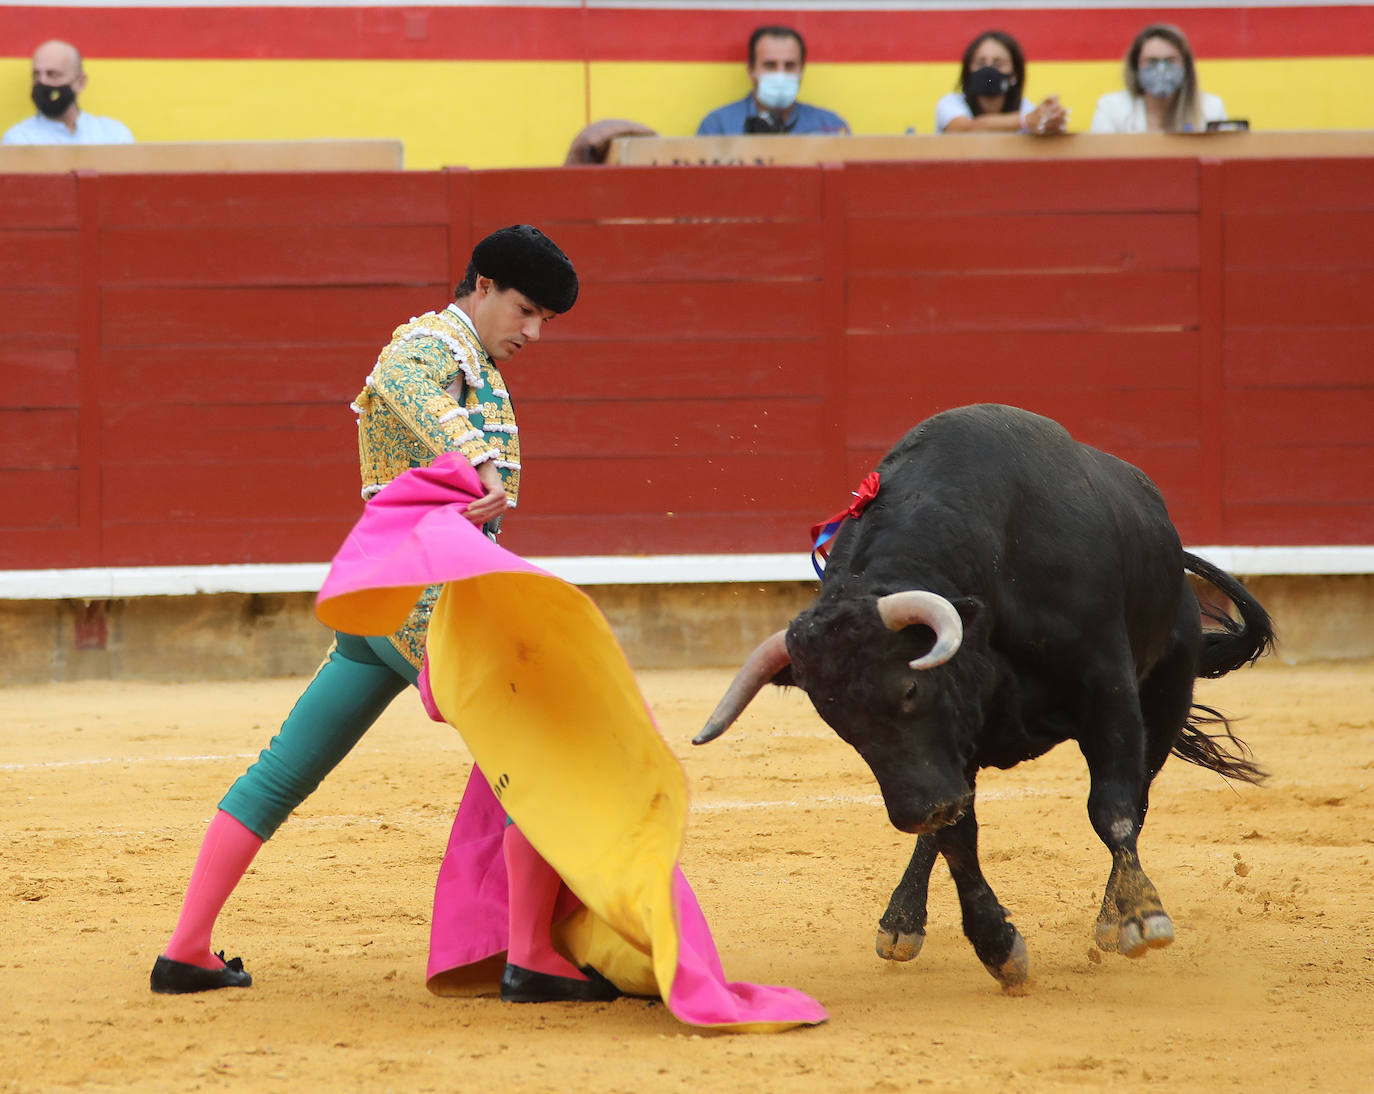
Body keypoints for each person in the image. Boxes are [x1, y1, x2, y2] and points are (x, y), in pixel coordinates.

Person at [149, 225, 593, 1001]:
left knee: (282, 771)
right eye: (526, 310)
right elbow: (408, 388)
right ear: (481, 285)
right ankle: (529, 955)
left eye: (546, 321)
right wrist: (477, 461)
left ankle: (185, 950)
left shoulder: (472, 361)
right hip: (430, 611)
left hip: (381, 609)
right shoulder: (427, 345)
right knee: (543, 747)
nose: (533, 332)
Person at [696, 25, 849, 136]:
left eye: (789, 66)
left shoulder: (830, 126)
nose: (780, 74)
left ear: (801, 70)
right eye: (770, 65)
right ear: (751, 70)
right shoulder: (719, 126)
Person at [1089, 23, 1226, 134]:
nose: (1161, 69)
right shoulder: (1111, 108)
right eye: (1152, 61)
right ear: (1136, 66)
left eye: (1170, 61)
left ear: (1186, 66)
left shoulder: (1211, 109)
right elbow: (1098, 162)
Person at [934, 30, 1068, 136]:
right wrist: (1025, 121)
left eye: (998, 64)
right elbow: (965, 129)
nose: (988, 70)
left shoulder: (1026, 109)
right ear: (968, 70)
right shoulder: (951, 103)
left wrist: (1050, 121)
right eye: (980, 63)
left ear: (1014, 74)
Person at [3, 39, 134, 145]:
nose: (43, 82)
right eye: (36, 75)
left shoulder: (114, 136)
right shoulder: (18, 141)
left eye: (53, 74)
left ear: (80, 82)